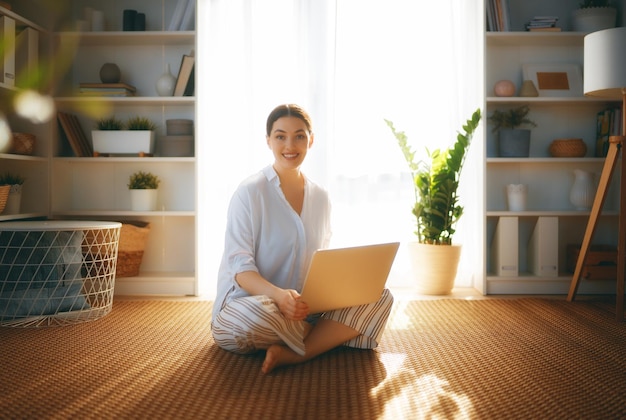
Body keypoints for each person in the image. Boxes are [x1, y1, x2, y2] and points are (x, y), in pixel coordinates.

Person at [211, 104, 394, 374]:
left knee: (379, 295)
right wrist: (278, 296)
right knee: (257, 314)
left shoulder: (321, 197)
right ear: (268, 141)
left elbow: (320, 262)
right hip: (247, 306)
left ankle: (298, 353)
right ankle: (325, 337)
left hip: (303, 310)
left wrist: (336, 291)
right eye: (280, 136)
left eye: (299, 136)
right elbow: (240, 269)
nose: (290, 145)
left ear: (311, 139)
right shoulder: (249, 192)